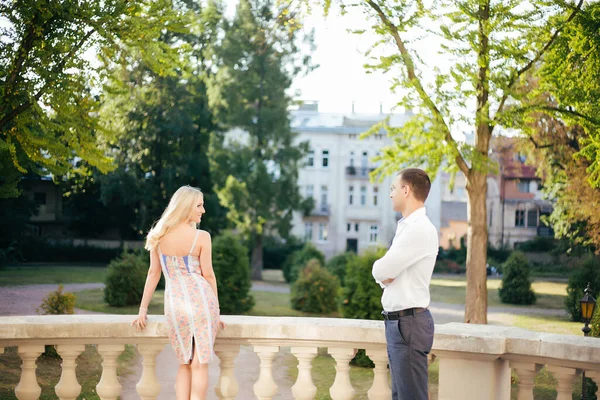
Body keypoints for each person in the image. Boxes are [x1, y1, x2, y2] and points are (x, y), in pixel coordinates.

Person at [132, 185, 224, 400]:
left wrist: (142, 309)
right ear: (186, 207)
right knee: (200, 364)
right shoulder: (202, 236)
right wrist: (216, 311)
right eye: (199, 205)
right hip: (202, 303)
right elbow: (208, 275)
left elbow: (153, 274)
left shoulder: (158, 236)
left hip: (175, 305)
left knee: (184, 363)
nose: (203, 210)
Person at [372, 168, 439, 400]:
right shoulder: (408, 227)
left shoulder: (418, 230)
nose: (390, 194)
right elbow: (387, 273)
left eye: (393, 188)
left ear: (406, 190)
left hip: (408, 324)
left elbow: (382, 269)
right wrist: (386, 274)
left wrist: (382, 272)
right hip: (400, 323)